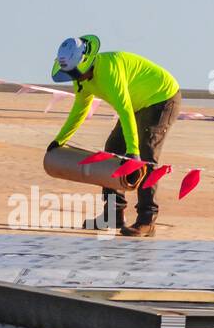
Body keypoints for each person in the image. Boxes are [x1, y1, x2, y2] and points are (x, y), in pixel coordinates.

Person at [48, 35, 181, 237]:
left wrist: (133, 152)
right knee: (112, 150)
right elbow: (80, 110)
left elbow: (125, 110)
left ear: (86, 61)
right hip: (138, 103)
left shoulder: (109, 71)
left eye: (77, 73)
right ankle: (113, 215)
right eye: (71, 74)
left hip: (162, 98)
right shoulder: (81, 80)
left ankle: (147, 220)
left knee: (145, 158)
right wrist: (60, 140)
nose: (76, 78)